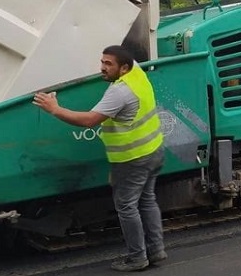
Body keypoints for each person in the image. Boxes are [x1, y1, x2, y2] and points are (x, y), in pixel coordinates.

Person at [33, 45, 166, 272]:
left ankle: (137, 258)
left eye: (108, 64)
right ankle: (156, 251)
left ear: (124, 68)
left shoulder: (120, 92)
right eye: (102, 62)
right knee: (147, 200)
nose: (102, 68)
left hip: (132, 159)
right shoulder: (137, 74)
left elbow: (89, 121)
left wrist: (54, 109)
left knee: (126, 207)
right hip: (153, 150)